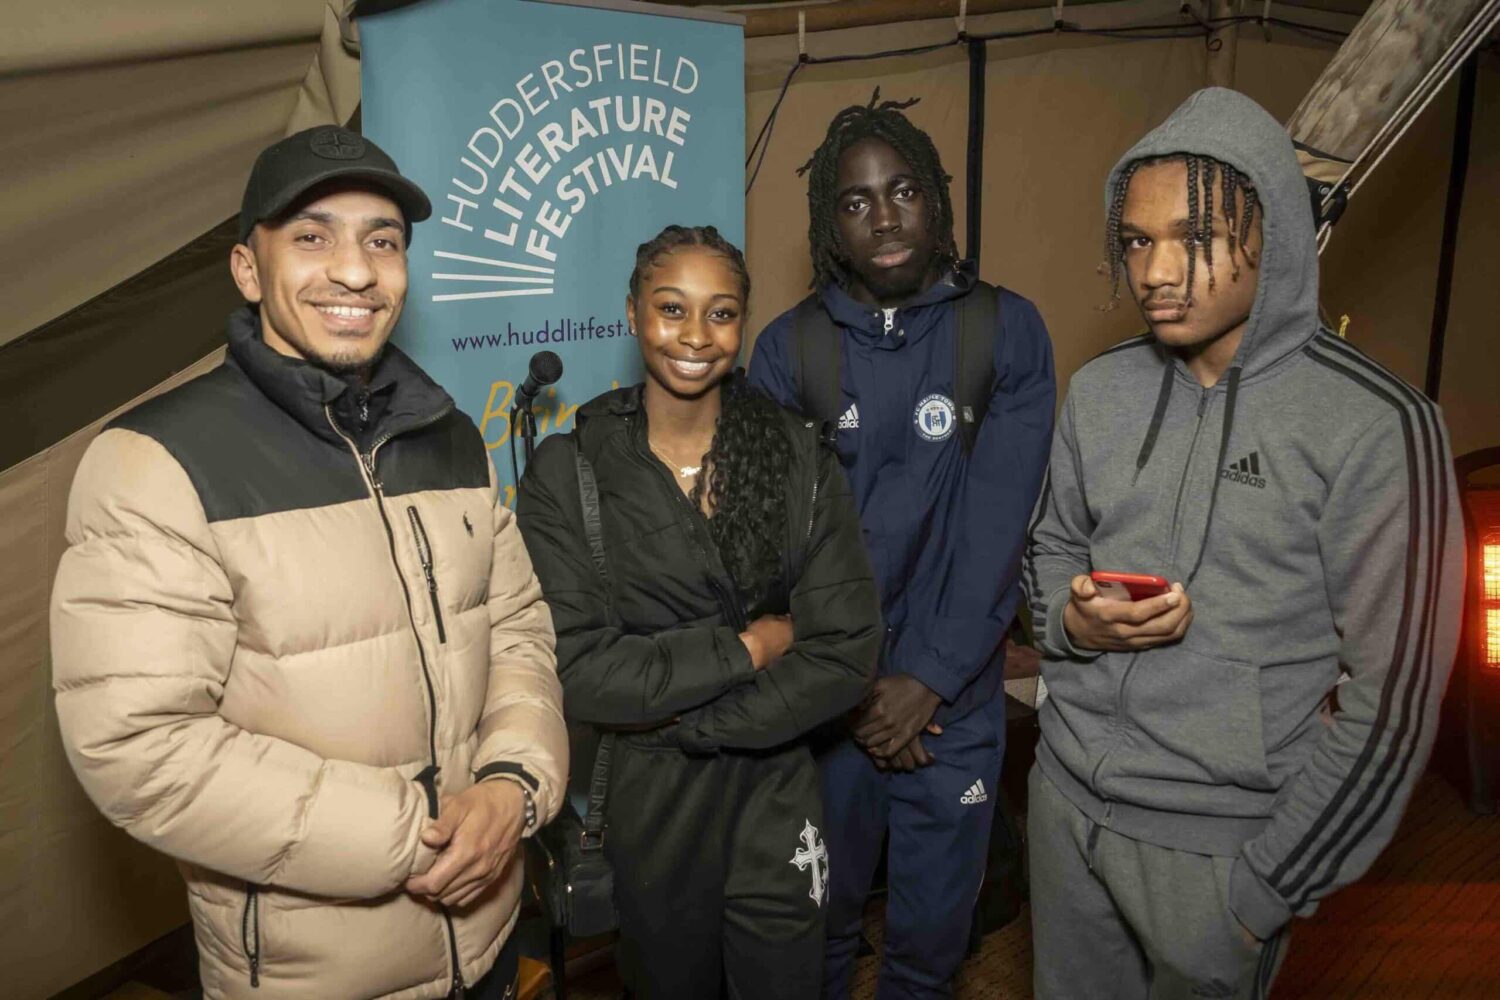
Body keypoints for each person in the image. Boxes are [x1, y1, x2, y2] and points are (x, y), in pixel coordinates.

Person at [50, 126, 566, 1000]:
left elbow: (517, 629)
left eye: (383, 241)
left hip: (486, 943)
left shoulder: (450, 437)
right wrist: (416, 835)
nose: (356, 271)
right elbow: (139, 744)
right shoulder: (156, 462)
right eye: (313, 237)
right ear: (248, 270)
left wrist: (513, 786)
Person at [1023, 87, 1464, 1000]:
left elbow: (1393, 702)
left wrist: (1265, 892)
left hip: (1220, 856)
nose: (1156, 271)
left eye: (1197, 236)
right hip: (1064, 810)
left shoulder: (1378, 425)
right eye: (1136, 241)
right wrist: (1074, 623)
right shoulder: (1100, 390)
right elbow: (1050, 548)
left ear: (1278, 235)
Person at [515, 224, 882, 999]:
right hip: (652, 807)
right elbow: (581, 670)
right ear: (632, 312)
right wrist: (752, 648)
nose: (695, 336)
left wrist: (690, 725)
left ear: (743, 322)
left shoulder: (795, 456)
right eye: (671, 308)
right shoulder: (570, 470)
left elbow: (845, 648)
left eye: (721, 313)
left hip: (776, 786)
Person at [748, 94, 1056, 998]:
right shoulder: (788, 351)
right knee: (816, 935)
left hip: (953, 701)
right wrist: (860, 693)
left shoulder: (1003, 330)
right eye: (856, 201)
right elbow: (780, 552)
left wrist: (926, 683)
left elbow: (997, 530)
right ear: (829, 223)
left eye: (904, 191)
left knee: (929, 952)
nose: (883, 217)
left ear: (937, 200)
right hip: (831, 703)